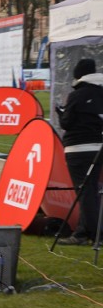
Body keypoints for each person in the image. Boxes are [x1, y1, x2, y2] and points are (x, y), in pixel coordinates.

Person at [57, 58, 103, 246]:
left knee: (85, 192)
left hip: (78, 148)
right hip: (98, 147)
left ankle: (96, 235)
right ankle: (82, 233)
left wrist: (61, 113)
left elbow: (66, 123)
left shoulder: (76, 95)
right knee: (90, 189)